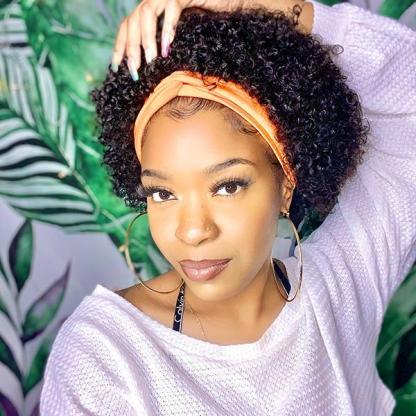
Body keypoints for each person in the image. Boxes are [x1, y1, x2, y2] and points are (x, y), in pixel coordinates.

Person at [39, 0, 416, 414]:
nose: (192, 231)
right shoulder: (105, 355)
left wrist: (249, 4)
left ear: (286, 184)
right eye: (162, 193)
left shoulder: (342, 285)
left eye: (227, 186)